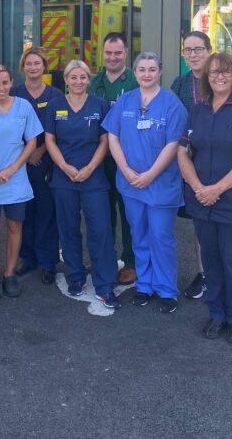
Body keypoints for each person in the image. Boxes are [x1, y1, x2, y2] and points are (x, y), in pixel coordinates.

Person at [177, 53, 232, 345]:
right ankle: (216, 314)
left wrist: (216, 189)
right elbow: (183, 152)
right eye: (214, 72)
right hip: (203, 202)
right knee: (212, 264)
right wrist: (197, 186)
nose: (219, 77)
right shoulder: (198, 110)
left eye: (226, 72)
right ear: (206, 76)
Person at [104, 53, 187, 314]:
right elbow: (112, 136)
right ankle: (145, 284)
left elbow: (173, 145)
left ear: (160, 71)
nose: (147, 74)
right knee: (138, 234)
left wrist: (150, 174)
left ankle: (166, 289)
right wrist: (126, 169)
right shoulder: (125, 100)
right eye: (142, 69)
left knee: (160, 236)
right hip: (130, 183)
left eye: (152, 69)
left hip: (160, 184)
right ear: (135, 72)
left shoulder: (172, 105)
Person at [44, 59, 120, 310]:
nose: (78, 82)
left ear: (89, 80)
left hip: (93, 177)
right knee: (68, 228)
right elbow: (50, 140)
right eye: (73, 77)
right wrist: (65, 167)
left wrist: (89, 168)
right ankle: (75, 276)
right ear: (65, 80)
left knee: (100, 230)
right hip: (64, 178)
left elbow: (105, 141)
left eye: (83, 77)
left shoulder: (99, 105)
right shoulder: (55, 105)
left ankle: (105, 284)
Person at [0, 65, 42, 299]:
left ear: (11, 82)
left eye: (5, 82)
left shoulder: (23, 106)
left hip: (16, 179)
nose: (1, 87)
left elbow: (32, 142)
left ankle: (10, 273)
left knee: (15, 226)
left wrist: (13, 168)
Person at [89, 32, 138, 287]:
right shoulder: (93, 82)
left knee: (129, 213)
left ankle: (131, 262)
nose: (112, 57)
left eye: (118, 53)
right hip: (100, 160)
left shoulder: (135, 81)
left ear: (126, 53)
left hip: (127, 160)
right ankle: (105, 258)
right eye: (108, 53)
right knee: (102, 212)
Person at [11, 46, 63, 284]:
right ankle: (27, 258)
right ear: (23, 67)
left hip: (45, 161)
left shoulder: (55, 95)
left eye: (37, 63)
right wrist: (26, 152)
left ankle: (48, 261)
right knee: (25, 213)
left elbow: (58, 129)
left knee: (46, 212)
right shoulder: (14, 93)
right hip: (20, 162)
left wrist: (40, 150)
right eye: (29, 64)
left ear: (44, 67)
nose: (33, 68)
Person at [169, 30, 213, 300]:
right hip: (189, 165)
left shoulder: (222, 77)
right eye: (188, 50)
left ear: (209, 50)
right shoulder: (181, 83)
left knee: (220, 224)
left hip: (220, 163)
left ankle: (221, 275)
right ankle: (204, 273)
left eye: (198, 49)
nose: (193, 54)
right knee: (200, 221)